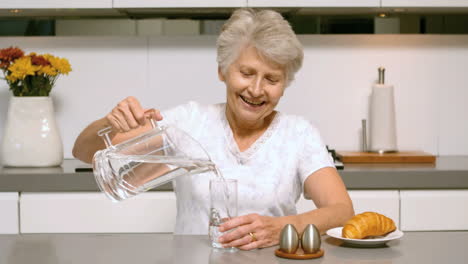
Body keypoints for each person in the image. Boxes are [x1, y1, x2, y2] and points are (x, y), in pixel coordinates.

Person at [72, 8, 354, 250]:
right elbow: (84, 151)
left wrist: (282, 227)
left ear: (285, 84)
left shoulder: (298, 134)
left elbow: (342, 211)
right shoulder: (189, 122)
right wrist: (109, 122)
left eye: (272, 79)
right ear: (223, 71)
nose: (256, 90)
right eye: (246, 73)